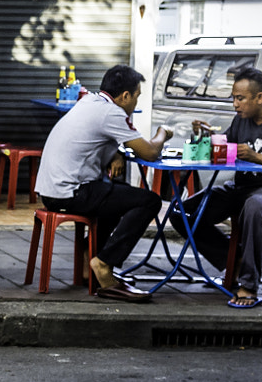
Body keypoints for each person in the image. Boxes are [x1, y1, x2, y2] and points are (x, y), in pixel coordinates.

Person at [171, 66, 262, 309]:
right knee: (181, 212)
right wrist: (204, 137)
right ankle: (231, 261)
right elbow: (225, 150)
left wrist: (258, 158)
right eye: (234, 98)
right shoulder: (242, 120)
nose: (235, 104)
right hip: (240, 188)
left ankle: (248, 285)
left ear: (259, 97)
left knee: (255, 206)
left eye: (240, 98)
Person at [34, 65, 174, 303]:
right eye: (137, 96)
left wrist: (116, 153)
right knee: (149, 201)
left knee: (115, 198)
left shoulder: (89, 102)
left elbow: (98, 138)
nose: (135, 103)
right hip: (72, 192)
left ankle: (90, 265)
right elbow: (150, 152)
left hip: (52, 190)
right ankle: (104, 264)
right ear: (126, 96)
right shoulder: (112, 113)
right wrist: (163, 132)